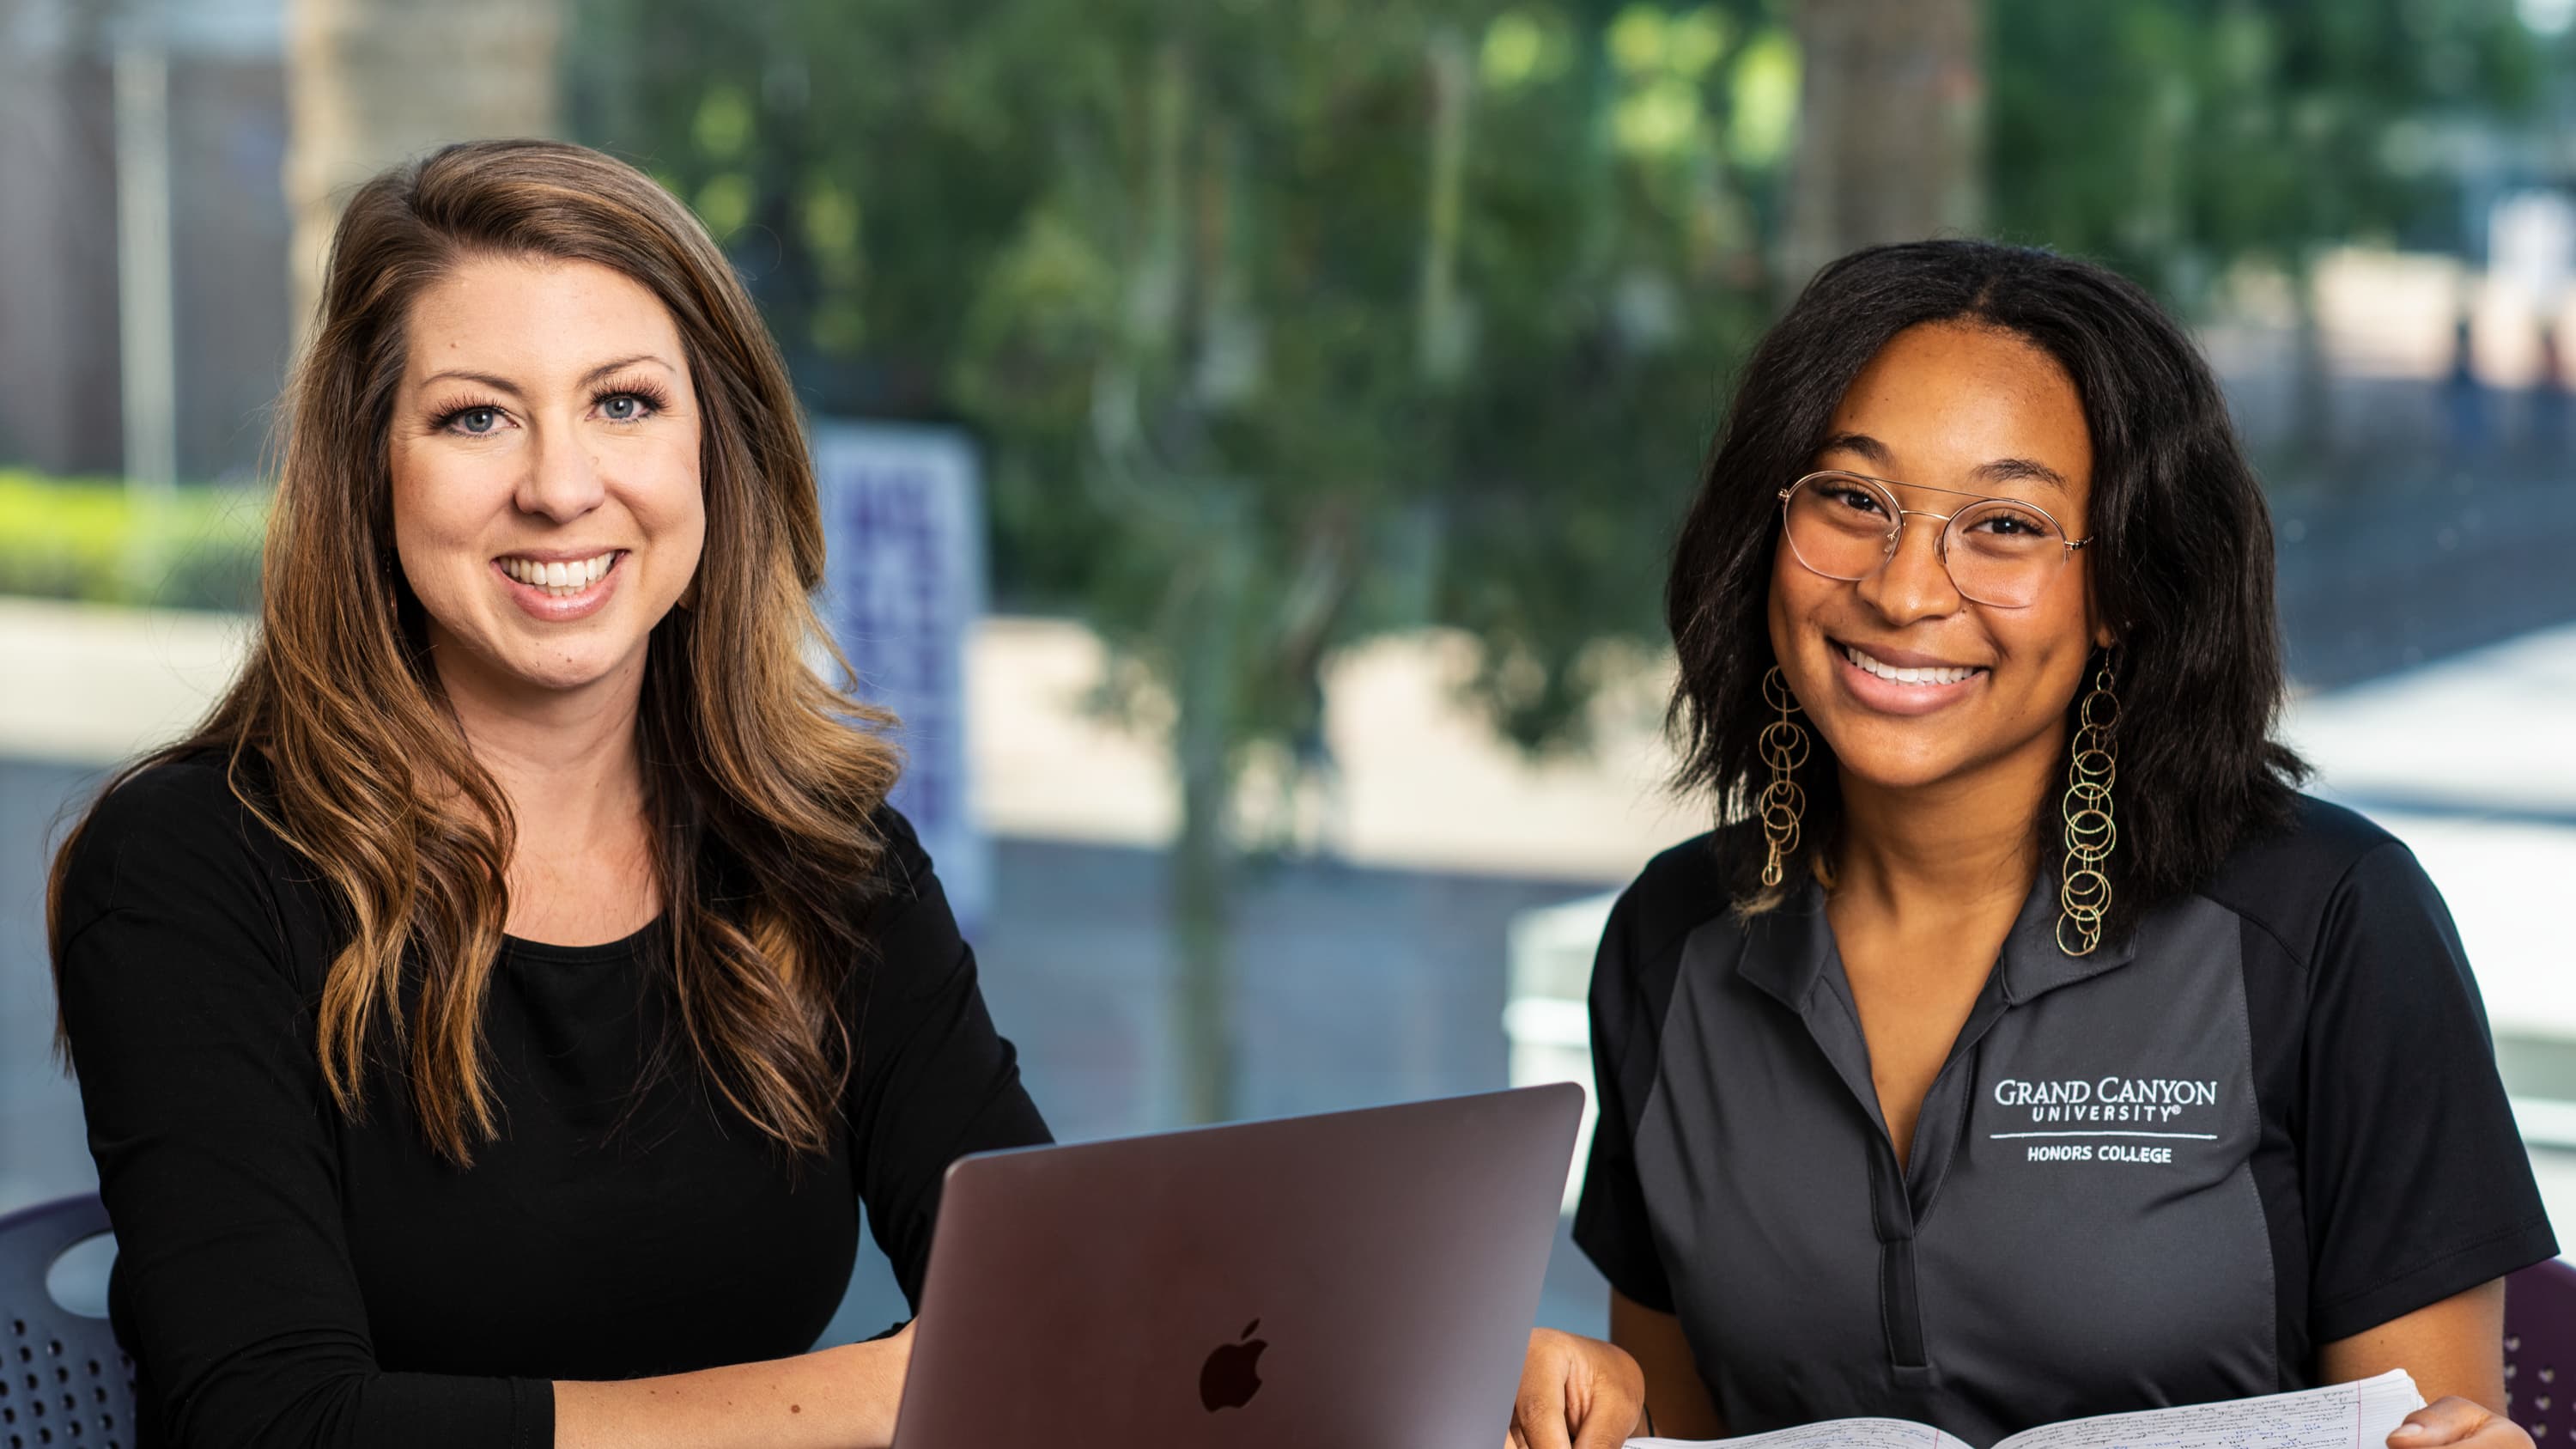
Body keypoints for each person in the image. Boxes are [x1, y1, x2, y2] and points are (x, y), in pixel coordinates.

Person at [46, 139, 1048, 1449]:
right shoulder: (193, 867)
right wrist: (871, 1398)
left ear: (714, 450)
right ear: (371, 468)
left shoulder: (822, 856)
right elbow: (277, 1425)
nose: (563, 487)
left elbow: (1054, 1300)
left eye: (625, 404)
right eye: (477, 416)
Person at [1507, 240, 2556, 1449]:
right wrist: (1589, 1410)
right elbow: (1682, 1427)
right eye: (1853, 500)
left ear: (2123, 589)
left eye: (2004, 525)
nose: (1905, 591)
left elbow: (2424, 1427)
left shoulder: (2328, 923)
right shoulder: (1670, 941)